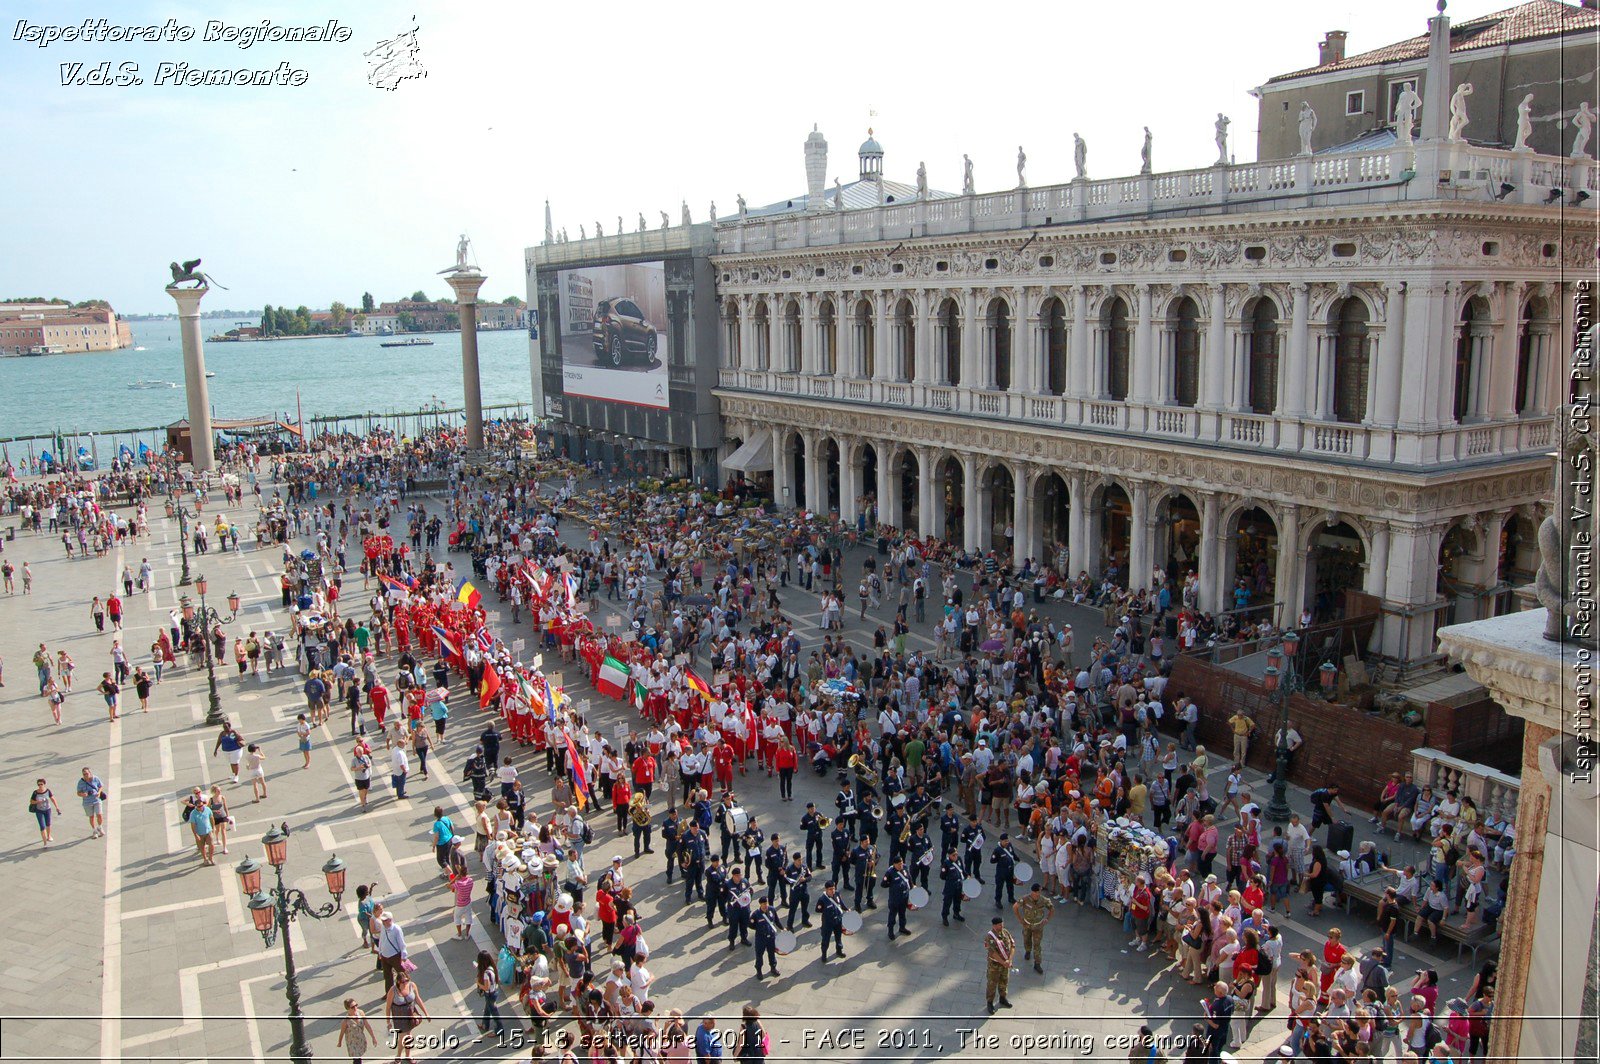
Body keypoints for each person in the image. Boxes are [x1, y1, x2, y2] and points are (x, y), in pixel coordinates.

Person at [384, 969, 428, 1062]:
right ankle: (399, 1056)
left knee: (408, 1036)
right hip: (399, 1017)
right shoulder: (393, 990)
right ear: (398, 982)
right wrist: (388, 1022)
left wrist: (426, 1013)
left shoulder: (412, 985)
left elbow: (418, 999)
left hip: (410, 1015)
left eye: (406, 980)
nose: (405, 983)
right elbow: (388, 1007)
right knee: (404, 1038)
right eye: (402, 981)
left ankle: (407, 1055)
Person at [1014, 883, 1054, 973]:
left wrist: (1047, 919)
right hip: (1027, 924)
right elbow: (1015, 907)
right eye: (1038, 892)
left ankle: (1037, 963)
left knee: (1037, 945)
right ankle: (1028, 951)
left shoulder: (1043, 900)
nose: (1039, 893)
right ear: (1033, 892)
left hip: (1038, 926)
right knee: (1026, 939)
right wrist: (1020, 919)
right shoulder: (1025, 899)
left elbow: (1052, 909)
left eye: (1039, 891)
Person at [983, 916, 1015, 1014]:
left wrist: (1009, 960)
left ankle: (1002, 998)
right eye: (999, 925)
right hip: (995, 965)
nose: (1001, 926)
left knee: (1004, 981)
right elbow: (993, 953)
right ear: (994, 925)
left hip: (1005, 964)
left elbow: (1012, 946)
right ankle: (990, 1002)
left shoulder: (1005, 932)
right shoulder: (990, 937)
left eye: (1002, 924)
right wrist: (1003, 962)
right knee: (992, 983)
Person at [475, 949, 507, 1040]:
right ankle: (485, 1024)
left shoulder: (485, 973)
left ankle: (499, 1030)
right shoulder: (491, 967)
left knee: (494, 1012)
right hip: (494, 991)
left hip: (490, 994)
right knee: (487, 1009)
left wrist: (478, 982)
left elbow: (486, 987)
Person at [336, 997, 376, 1064]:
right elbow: (342, 1032)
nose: (355, 1008)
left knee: (359, 1057)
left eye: (356, 1005)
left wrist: (373, 1037)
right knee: (357, 1059)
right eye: (352, 1007)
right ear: (348, 1009)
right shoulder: (345, 1021)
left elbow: (367, 1025)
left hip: (360, 1039)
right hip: (352, 1043)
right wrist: (339, 1042)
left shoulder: (360, 1012)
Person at [375, 911, 408, 991]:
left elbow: (401, 943)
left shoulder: (396, 929)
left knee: (402, 974)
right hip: (384, 956)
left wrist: (404, 955)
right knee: (387, 976)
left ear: (390, 920)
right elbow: (381, 940)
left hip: (395, 956)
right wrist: (380, 952)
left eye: (385, 920)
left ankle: (407, 989)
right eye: (382, 920)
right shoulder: (383, 928)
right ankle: (389, 993)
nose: (383, 922)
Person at [815, 880, 847, 960]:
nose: (832, 890)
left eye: (833, 888)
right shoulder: (822, 899)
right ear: (826, 889)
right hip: (828, 923)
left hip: (838, 920)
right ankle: (824, 954)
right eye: (830, 889)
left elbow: (841, 903)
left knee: (838, 937)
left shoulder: (837, 894)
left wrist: (846, 909)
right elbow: (818, 910)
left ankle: (839, 950)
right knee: (826, 939)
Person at [751, 895, 781, 978]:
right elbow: (751, 924)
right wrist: (759, 929)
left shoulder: (772, 910)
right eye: (763, 904)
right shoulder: (756, 914)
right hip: (761, 938)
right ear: (760, 904)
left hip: (771, 937)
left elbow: (777, 921)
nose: (765, 905)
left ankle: (773, 968)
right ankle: (759, 971)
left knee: (772, 953)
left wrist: (782, 928)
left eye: (766, 903)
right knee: (759, 955)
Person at [28, 778, 60, 846]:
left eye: (41, 784)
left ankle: (48, 836)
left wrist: (57, 807)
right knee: (42, 826)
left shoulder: (48, 791)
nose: (40, 786)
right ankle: (45, 842)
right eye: (38, 784)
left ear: (44, 784)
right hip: (39, 811)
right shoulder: (35, 792)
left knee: (48, 824)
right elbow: (31, 801)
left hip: (47, 809)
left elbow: (53, 799)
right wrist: (37, 801)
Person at [76, 766, 107, 838]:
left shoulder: (95, 778)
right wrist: (83, 794)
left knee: (99, 815)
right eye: (84, 774)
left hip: (97, 800)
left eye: (87, 773)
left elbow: (101, 786)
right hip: (87, 802)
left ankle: (100, 827)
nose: (86, 775)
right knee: (91, 817)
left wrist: (99, 792)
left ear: (90, 773)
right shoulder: (81, 782)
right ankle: (94, 830)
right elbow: (78, 793)